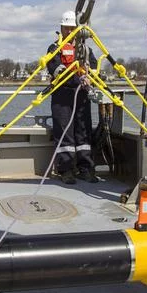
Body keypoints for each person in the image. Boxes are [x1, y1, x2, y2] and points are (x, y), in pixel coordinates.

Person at [45, 10, 99, 185]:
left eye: (72, 28)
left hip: (82, 96)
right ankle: (66, 170)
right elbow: (55, 68)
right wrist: (78, 78)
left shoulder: (86, 49)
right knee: (64, 134)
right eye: (66, 28)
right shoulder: (54, 49)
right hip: (62, 97)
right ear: (61, 28)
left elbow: (94, 66)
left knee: (83, 133)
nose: (69, 31)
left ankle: (86, 169)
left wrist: (91, 77)